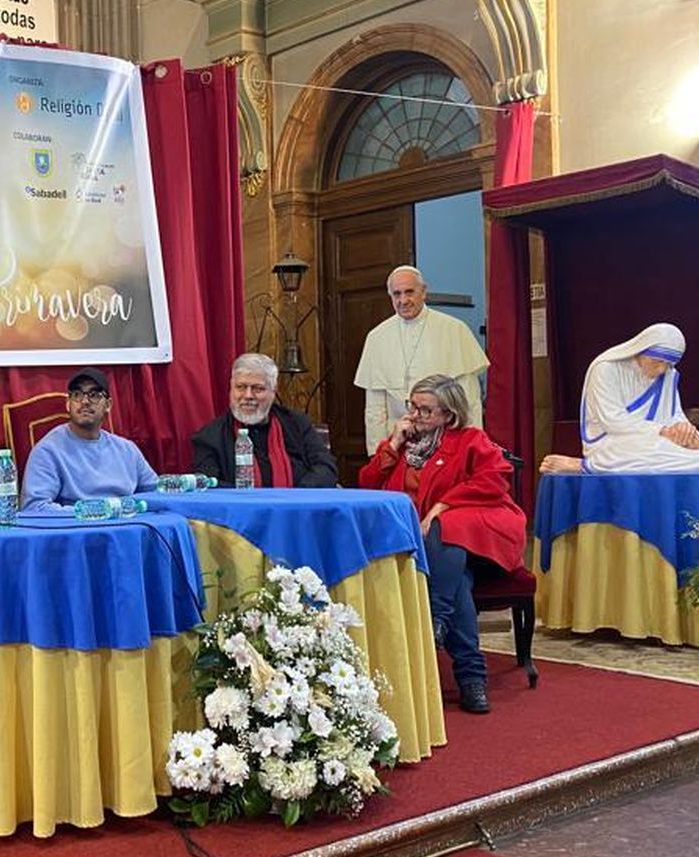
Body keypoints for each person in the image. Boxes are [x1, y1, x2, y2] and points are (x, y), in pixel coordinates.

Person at [357, 374, 526, 715]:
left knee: (447, 528)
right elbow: (366, 484)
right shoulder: (402, 444)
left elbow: (495, 478)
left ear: (448, 415)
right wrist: (393, 445)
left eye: (425, 411)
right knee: (456, 580)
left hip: (478, 538)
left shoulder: (469, 439)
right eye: (412, 407)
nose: (415, 416)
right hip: (422, 544)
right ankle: (470, 676)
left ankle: (438, 619)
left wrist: (440, 507)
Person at [539, 323, 699, 474]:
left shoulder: (669, 374)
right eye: (658, 362)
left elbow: (674, 415)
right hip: (616, 441)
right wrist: (662, 431)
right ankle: (584, 466)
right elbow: (612, 420)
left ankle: (601, 466)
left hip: (655, 441)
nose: (662, 370)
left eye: (669, 364)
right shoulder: (606, 369)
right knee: (638, 452)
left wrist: (687, 432)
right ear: (642, 350)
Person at [353, 265, 488, 451]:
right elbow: (375, 410)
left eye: (409, 292)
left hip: (445, 445)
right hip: (399, 442)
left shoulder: (454, 330)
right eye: (396, 294)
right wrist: (379, 453)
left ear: (423, 292)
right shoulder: (377, 337)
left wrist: (472, 449)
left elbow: (470, 403)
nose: (403, 300)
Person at [191, 352, 339, 488]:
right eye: (241, 387)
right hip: (239, 514)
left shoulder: (297, 424)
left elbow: (326, 468)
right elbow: (209, 485)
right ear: (231, 389)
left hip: (298, 511)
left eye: (258, 388)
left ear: (273, 391)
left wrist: (295, 498)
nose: (248, 395)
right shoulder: (209, 437)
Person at [21, 367, 159, 510]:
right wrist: (94, 512)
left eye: (94, 395)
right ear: (68, 404)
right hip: (77, 530)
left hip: (127, 527)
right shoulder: (47, 451)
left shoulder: (127, 450)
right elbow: (34, 507)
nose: (85, 401)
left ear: (108, 405)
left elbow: (156, 493)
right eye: (77, 394)